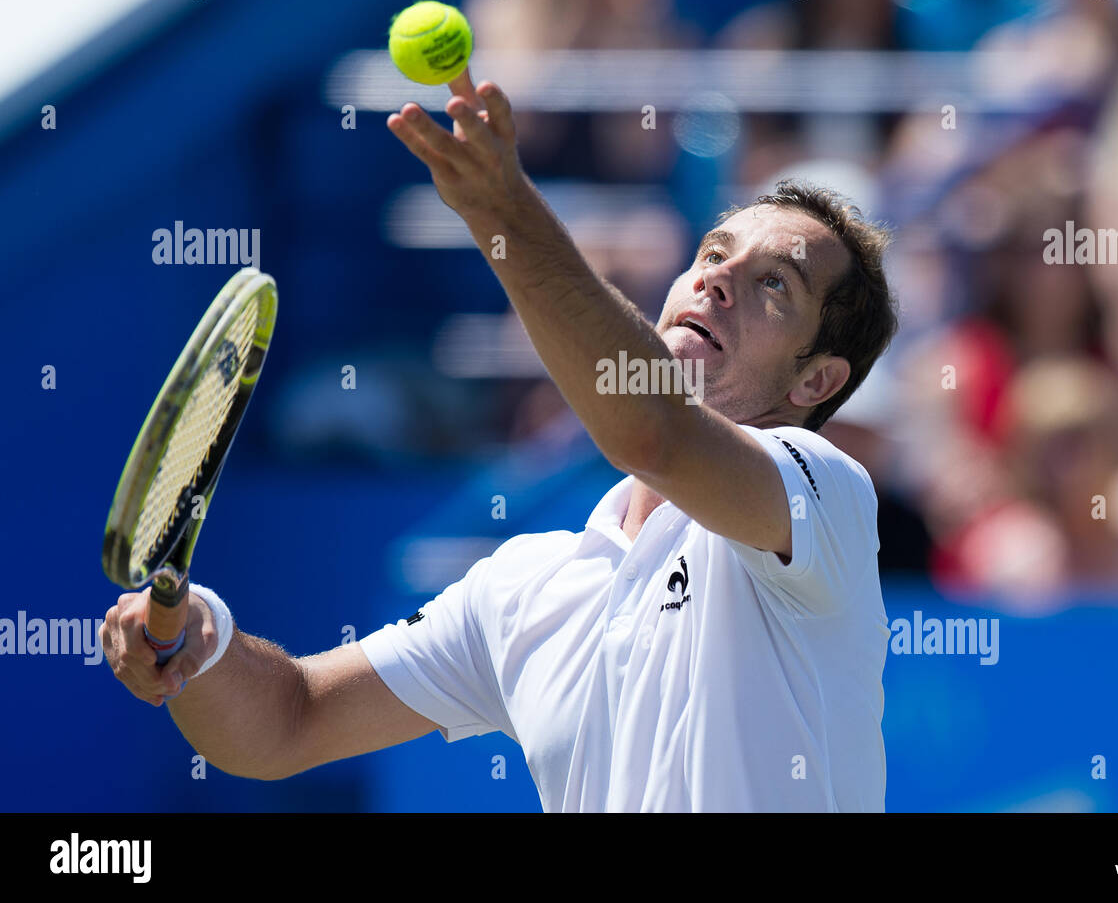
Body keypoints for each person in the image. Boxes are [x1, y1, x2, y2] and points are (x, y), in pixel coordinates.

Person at [101, 74, 899, 812]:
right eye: (714, 254)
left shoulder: (824, 493)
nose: (716, 280)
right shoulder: (524, 588)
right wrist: (203, 642)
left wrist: (503, 212)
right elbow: (286, 721)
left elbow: (651, 431)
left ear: (815, 383)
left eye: (774, 286)